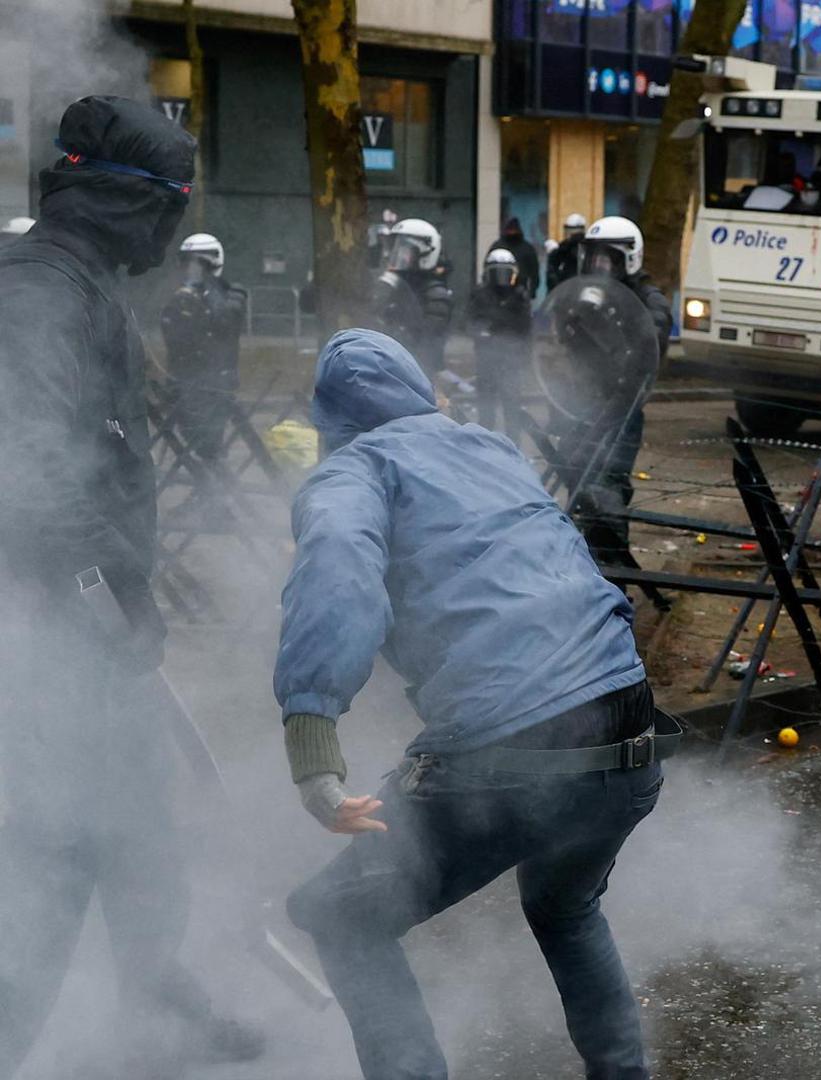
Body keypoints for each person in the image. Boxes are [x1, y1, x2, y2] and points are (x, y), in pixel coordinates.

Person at [276, 327, 671, 1080]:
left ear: (330, 423)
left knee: (341, 916)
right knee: (565, 905)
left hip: (524, 752)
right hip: (631, 728)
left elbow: (337, 581)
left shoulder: (353, 471)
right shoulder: (486, 446)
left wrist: (312, 742)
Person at [0, 95, 263, 1076]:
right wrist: (105, 594)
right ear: (127, 202)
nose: (174, 232)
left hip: (83, 623)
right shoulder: (37, 295)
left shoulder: (77, 279)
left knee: (139, 825)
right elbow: (25, 473)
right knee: (62, 842)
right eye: (172, 209)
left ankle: (156, 998)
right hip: (53, 626)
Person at [570, 215, 671, 570]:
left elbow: (649, 344)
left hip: (624, 409)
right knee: (576, 477)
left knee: (608, 485)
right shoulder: (591, 295)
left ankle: (613, 578)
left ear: (628, 257)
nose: (598, 267)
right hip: (584, 402)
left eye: (606, 259)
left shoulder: (648, 298)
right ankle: (582, 567)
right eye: (593, 258)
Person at [159, 232, 247, 462]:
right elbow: (173, 335)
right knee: (196, 446)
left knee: (209, 449)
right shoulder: (183, 297)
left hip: (214, 385)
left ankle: (212, 488)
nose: (190, 269)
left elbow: (224, 324)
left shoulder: (228, 294)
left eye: (196, 263)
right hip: (185, 381)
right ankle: (209, 486)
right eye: (186, 262)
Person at [372, 216, 453, 381]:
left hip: (418, 375)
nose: (398, 257)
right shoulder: (395, 285)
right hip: (391, 368)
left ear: (425, 254)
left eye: (404, 252)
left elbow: (428, 339)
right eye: (395, 250)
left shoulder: (434, 293)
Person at [468, 246, 533, 439]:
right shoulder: (480, 295)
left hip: (511, 361)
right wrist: (481, 333)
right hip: (487, 360)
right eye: (497, 274)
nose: (502, 279)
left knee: (511, 409)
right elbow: (470, 322)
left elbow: (526, 329)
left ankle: (513, 449)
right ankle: (485, 448)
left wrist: (525, 357)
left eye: (506, 273)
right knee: (486, 410)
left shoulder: (520, 296)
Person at [490, 215, 541, 299]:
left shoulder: (527, 248)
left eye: (513, 230)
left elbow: (534, 273)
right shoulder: (498, 246)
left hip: (520, 290)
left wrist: (531, 292)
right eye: (510, 230)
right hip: (496, 291)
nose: (511, 232)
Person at [545, 211, 588, 292]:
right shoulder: (561, 250)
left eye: (576, 233)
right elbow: (552, 273)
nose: (572, 236)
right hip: (565, 292)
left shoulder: (588, 249)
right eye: (569, 231)